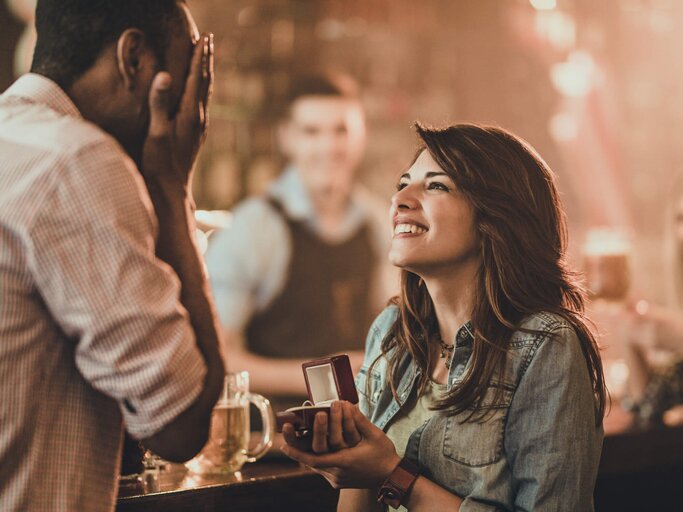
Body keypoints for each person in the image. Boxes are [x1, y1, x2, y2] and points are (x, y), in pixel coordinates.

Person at [281, 123, 607, 511]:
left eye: (435, 185)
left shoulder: (544, 345)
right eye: (403, 182)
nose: (401, 197)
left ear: (495, 217)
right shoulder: (391, 332)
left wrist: (391, 473)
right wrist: (348, 464)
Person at [0, 1, 225, 510]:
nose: (195, 107)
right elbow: (180, 424)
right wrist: (171, 185)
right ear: (134, 59)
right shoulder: (76, 160)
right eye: (190, 76)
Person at [205, 73, 392, 405]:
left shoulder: (380, 223)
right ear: (286, 138)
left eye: (341, 131)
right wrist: (327, 379)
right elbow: (218, 356)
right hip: (274, 439)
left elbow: (399, 335)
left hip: (359, 436)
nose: (328, 147)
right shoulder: (254, 227)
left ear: (362, 136)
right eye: (311, 132)